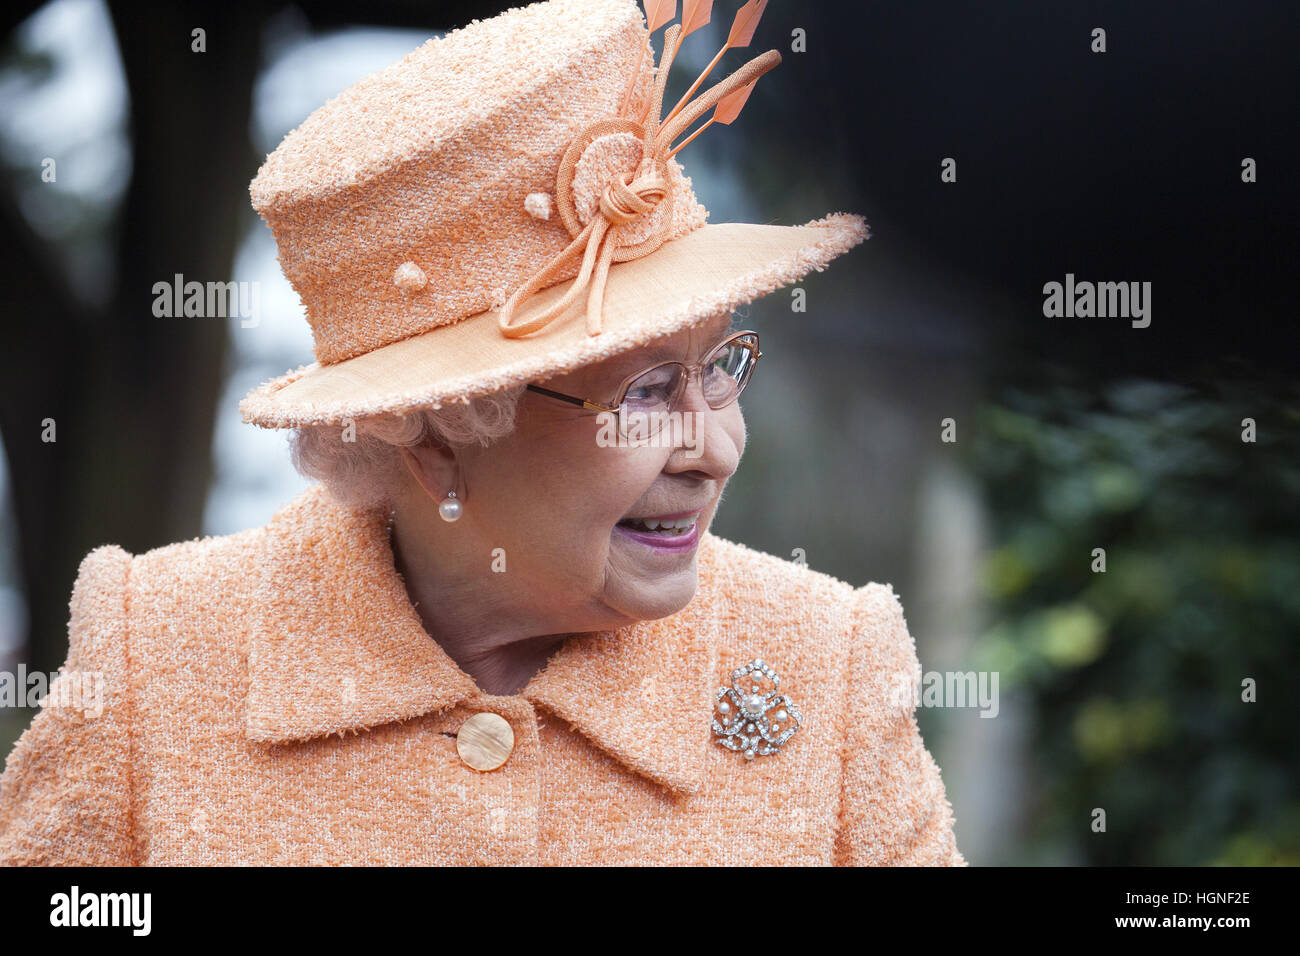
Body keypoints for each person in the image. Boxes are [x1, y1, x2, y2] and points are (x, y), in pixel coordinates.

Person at [0, 0, 965, 866]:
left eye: (718, 366)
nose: (712, 448)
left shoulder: (827, 664)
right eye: (644, 391)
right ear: (434, 441)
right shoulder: (157, 655)